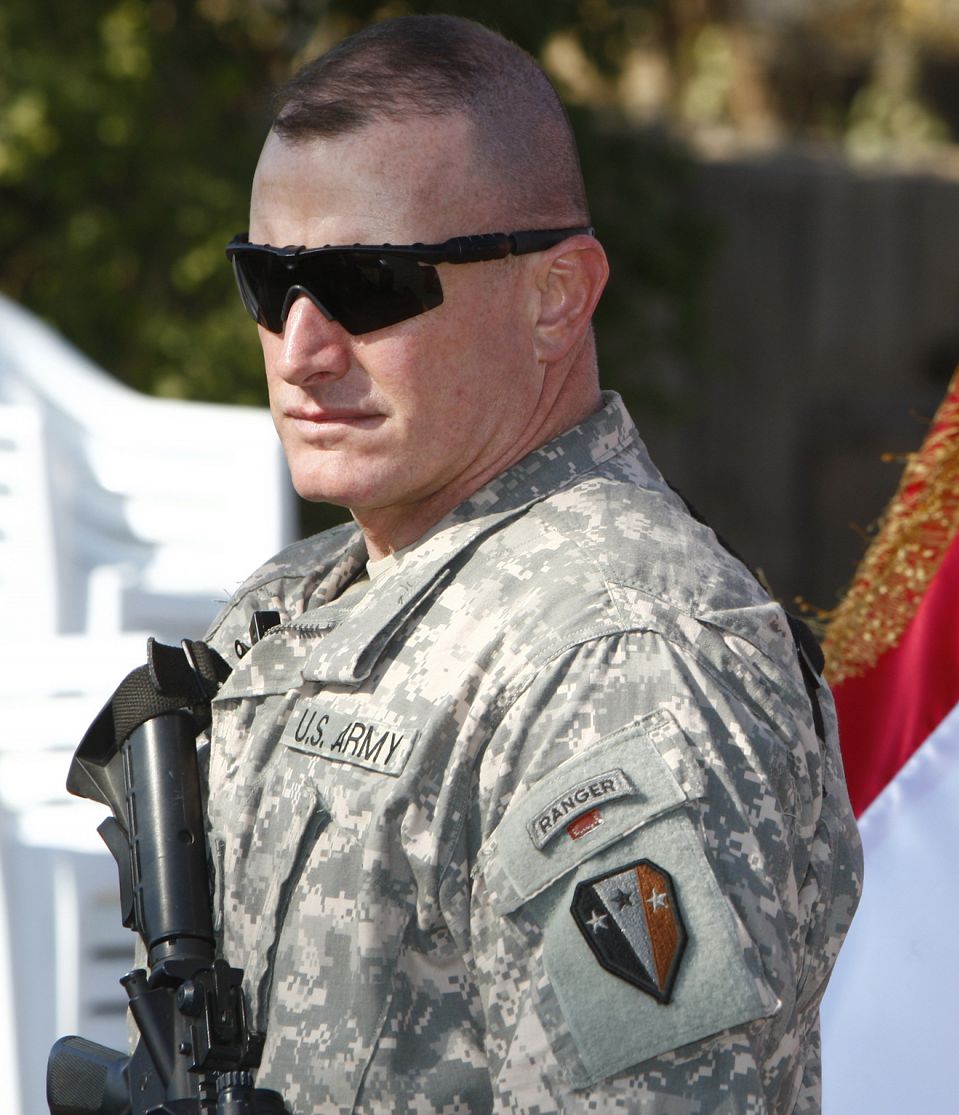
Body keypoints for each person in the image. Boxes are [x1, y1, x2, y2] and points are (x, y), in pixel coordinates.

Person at [202, 14, 862, 1113]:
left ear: (555, 295)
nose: (305, 346)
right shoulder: (292, 606)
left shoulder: (619, 658)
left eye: (369, 282)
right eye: (268, 282)